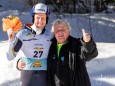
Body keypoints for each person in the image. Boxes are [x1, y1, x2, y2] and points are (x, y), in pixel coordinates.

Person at [17, 19, 98, 86]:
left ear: (69, 32)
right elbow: (35, 55)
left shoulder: (76, 45)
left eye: (63, 29)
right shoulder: (49, 46)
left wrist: (87, 42)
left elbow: (90, 54)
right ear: (54, 34)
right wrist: (19, 63)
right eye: (57, 30)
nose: (60, 32)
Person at [6, 3, 53, 86]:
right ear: (33, 18)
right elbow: (10, 56)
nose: (40, 21)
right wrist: (10, 40)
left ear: (47, 19)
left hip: (44, 76)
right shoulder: (23, 34)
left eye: (43, 18)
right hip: (27, 76)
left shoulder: (51, 36)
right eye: (37, 17)